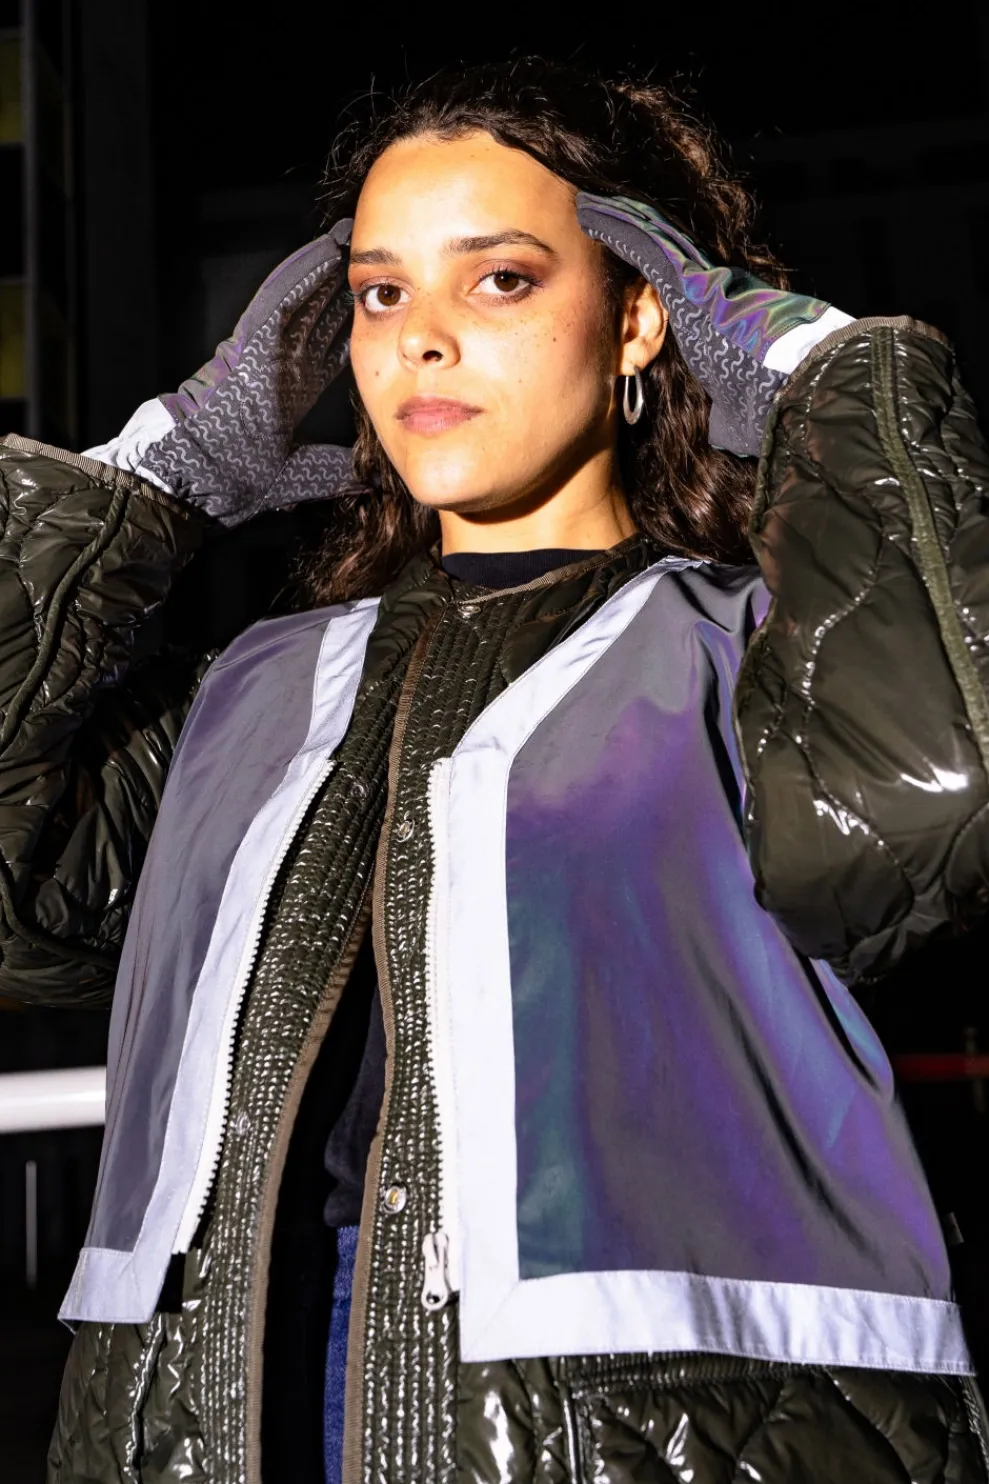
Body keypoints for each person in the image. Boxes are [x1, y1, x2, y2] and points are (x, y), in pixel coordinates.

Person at [6, 56, 989, 1484]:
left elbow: (924, 817)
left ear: (642, 317)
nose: (423, 339)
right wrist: (148, 480)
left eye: (503, 280)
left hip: (645, 1430)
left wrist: (827, 377)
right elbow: (19, 903)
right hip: (206, 1416)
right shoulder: (257, 686)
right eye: (379, 294)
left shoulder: (748, 652)